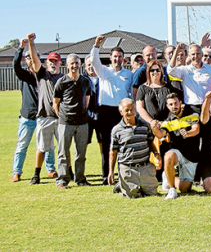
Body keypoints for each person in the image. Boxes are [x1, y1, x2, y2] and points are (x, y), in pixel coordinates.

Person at [90, 35, 134, 185]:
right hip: (105, 112)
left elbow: (131, 95)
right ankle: (106, 176)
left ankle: (123, 175)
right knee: (107, 146)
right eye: (115, 56)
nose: (117, 59)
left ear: (124, 59)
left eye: (120, 57)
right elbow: (94, 59)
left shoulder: (129, 75)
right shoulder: (103, 72)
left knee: (123, 145)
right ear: (110, 58)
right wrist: (96, 45)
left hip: (121, 113)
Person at [10, 39, 54, 182]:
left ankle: (50, 169)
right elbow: (15, 66)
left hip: (43, 115)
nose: (30, 60)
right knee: (22, 145)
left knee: (48, 145)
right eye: (27, 58)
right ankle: (17, 172)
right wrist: (20, 49)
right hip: (28, 116)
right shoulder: (24, 75)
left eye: (32, 57)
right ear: (25, 60)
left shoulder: (43, 75)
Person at [108, 98, 161, 198]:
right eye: (126, 110)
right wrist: (111, 171)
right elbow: (113, 152)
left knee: (152, 194)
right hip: (128, 167)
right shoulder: (116, 130)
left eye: (132, 109)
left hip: (145, 167)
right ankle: (121, 185)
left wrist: (156, 153)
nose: (130, 112)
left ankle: (127, 184)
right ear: (121, 112)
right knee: (133, 196)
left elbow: (150, 142)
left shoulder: (145, 126)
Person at [53, 54, 92, 188]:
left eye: (76, 63)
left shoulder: (85, 81)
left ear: (80, 64)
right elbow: (56, 103)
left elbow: (87, 100)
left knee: (81, 153)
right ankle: (62, 180)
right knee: (63, 153)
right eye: (71, 63)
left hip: (82, 122)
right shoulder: (61, 82)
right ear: (67, 65)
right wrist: (62, 117)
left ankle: (80, 179)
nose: (74, 66)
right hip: (66, 122)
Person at [27, 33, 62, 184]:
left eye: (56, 61)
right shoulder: (42, 75)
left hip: (61, 119)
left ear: (61, 63)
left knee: (63, 149)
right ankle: (36, 174)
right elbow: (34, 59)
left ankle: (65, 173)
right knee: (41, 147)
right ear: (46, 63)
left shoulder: (63, 79)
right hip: (45, 117)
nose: (53, 63)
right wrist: (31, 43)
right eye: (50, 61)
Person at [152, 93, 201, 200]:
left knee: (185, 189)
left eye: (175, 103)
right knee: (168, 156)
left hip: (191, 155)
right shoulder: (168, 121)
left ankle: (169, 176)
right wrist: (154, 128)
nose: (174, 106)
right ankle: (171, 189)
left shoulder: (192, 114)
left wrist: (187, 134)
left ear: (180, 103)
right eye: (171, 104)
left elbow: (196, 130)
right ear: (167, 106)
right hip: (177, 152)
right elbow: (160, 135)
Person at [167, 43, 211, 114]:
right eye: (193, 54)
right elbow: (170, 70)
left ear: (202, 54)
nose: (196, 56)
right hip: (191, 108)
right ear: (189, 56)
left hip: (209, 107)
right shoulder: (185, 70)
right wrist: (176, 52)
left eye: (198, 54)